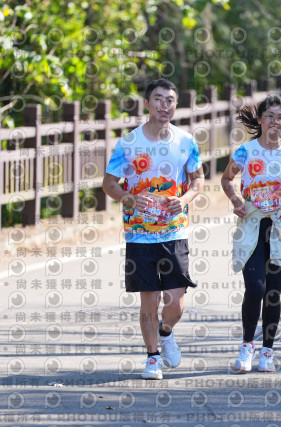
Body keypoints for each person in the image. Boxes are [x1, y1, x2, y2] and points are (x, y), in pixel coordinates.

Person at [102, 79, 204, 380]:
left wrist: (183, 200)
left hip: (174, 230)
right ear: (147, 104)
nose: (164, 105)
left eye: (169, 100)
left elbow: (198, 179)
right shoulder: (128, 143)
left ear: (176, 105)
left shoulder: (186, 141)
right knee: (149, 298)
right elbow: (109, 183)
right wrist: (129, 198)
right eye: (158, 99)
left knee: (176, 302)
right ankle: (152, 357)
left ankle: (166, 331)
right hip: (140, 233)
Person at [221, 94, 281, 372]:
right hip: (253, 225)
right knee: (255, 287)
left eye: (280, 117)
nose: (275, 121)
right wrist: (236, 201)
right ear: (260, 120)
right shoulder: (246, 151)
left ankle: (268, 352)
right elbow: (226, 179)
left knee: (273, 292)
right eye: (270, 116)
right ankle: (246, 347)